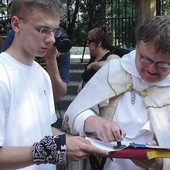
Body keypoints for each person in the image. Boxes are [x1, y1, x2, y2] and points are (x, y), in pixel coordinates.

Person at [0, 1, 108, 170]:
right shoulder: (3, 74)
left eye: (54, 31)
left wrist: (83, 142)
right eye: (42, 30)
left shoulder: (42, 74)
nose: (51, 39)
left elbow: (44, 129)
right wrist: (55, 149)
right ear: (16, 24)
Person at [63, 15, 170, 170]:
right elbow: (74, 113)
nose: (151, 69)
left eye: (162, 64)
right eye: (145, 59)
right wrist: (99, 123)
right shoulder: (113, 70)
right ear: (137, 47)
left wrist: (160, 163)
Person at [1, 28, 70, 103]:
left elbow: (59, 96)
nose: (50, 39)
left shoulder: (60, 41)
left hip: (44, 102)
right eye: (42, 30)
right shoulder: (17, 35)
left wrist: (51, 60)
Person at [77, 26, 119, 93]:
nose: (88, 44)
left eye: (89, 41)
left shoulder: (112, 56)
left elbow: (111, 65)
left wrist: (93, 65)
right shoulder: (94, 58)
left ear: (99, 43)